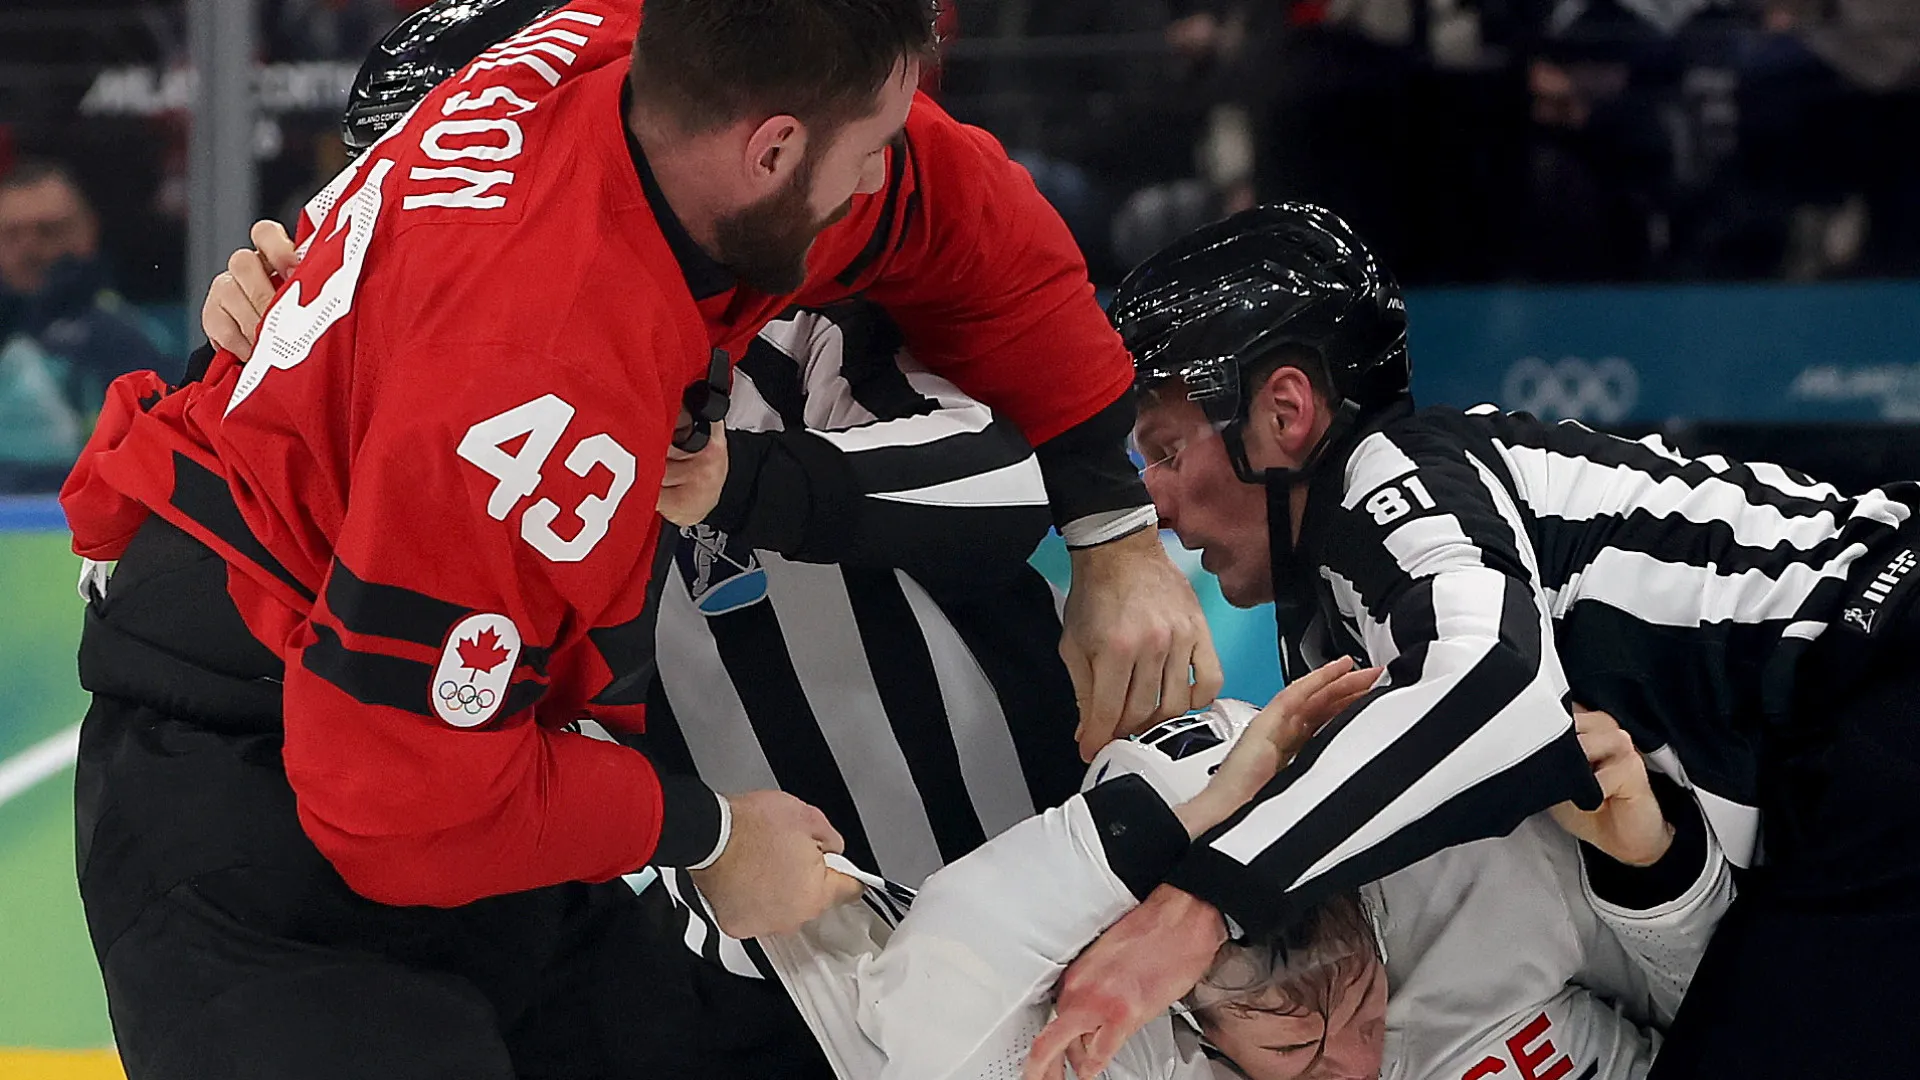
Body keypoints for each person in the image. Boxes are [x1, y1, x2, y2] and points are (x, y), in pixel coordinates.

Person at [57, 1, 1219, 1077]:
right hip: (276, 817)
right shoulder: (537, 390)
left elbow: (958, 205)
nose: (881, 174)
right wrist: (706, 834)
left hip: (453, 766)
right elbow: (390, 797)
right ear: (768, 151)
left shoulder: (633, 56)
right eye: (865, 150)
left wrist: (1111, 526)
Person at [1026, 202, 1920, 1080]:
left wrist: (1195, 909)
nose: (1162, 508)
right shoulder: (1350, 602)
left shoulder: (1393, 476)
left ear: (1284, 413)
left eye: (1169, 453)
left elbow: (1492, 681)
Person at [207, 254, 1084, 888]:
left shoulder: (793, 313)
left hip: (1017, 890)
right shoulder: (397, 399)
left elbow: (1004, 483)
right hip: (748, 955)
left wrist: (734, 478)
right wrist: (246, 351)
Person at [648, 662, 1731, 1080]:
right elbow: (940, 979)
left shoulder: (1480, 865)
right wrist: (1191, 819)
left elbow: (1734, 1009)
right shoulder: (1112, 1052)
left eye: (1360, 998)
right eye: (1297, 1048)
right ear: (1185, 1010)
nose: (1354, 1061)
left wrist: (1658, 867)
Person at [0, 158, 166, 490]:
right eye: (12, 234)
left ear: (87, 230)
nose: (29, 249)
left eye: (48, 231)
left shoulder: (130, 341)